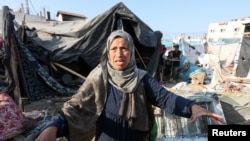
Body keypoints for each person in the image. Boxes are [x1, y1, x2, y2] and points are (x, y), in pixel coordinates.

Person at [35, 30, 225, 141]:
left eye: (124, 48)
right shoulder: (98, 77)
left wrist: (192, 107)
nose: (119, 54)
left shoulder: (142, 78)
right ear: (108, 52)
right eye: (114, 49)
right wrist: (54, 126)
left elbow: (165, 98)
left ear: (131, 51)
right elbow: (75, 107)